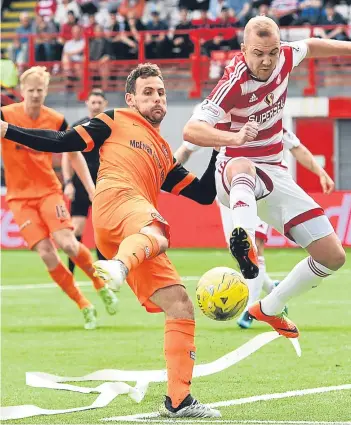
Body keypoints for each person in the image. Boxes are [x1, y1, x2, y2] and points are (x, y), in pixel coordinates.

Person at [0, 63, 227, 418]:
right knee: (157, 230)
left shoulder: (164, 154)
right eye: (148, 92)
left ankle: (178, 401)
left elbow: (203, 194)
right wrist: (7, 129)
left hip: (131, 229)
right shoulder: (113, 119)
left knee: (180, 304)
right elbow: (63, 141)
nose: (156, 98)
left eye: (161, 92)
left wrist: (220, 145)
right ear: (131, 98)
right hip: (115, 202)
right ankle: (117, 267)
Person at [183, 16, 346, 339]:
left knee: (333, 256)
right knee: (243, 166)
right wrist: (235, 138)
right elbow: (191, 129)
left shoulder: (285, 56)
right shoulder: (233, 82)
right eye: (258, 53)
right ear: (244, 50)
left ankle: (269, 307)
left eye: (272, 52)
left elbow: (312, 46)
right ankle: (245, 245)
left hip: (276, 172)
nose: (266, 60)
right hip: (234, 170)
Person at [174, 127, 335, 328]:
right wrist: (165, 170)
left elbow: (297, 148)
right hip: (229, 194)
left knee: (254, 245)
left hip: (265, 190)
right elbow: (186, 148)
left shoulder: (267, 122)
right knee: (240, 251)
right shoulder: (216, 125)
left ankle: (251, 310)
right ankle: (270, 286)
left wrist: (320, 172)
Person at [0, 66, 118, 330]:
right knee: (46, 253)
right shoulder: (6, 115)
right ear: (21, 91)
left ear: (45, 91)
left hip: (48, 191)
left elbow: (74, 152)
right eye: (30, 91)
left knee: (68, 243)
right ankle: (83, 305)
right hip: (19, 198)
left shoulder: (55, 118)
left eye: (40, 90)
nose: (34, 95)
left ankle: (101, 285)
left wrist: (90, 188)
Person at [62, 89, 108, 276]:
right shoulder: (78, 126)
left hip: (104, 182)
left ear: (104, 104)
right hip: (80, 183)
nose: (96, 105)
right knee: (77, 227)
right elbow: (67, 155)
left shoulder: (110, 127)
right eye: (93, 102)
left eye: (99, 102)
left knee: (102, 229)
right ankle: (71, 272)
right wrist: (68, 182)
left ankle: (105, 273)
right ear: (87, 104)